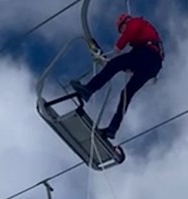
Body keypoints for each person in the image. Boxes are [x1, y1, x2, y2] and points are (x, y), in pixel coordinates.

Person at [69, 12, 164, 140]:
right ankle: (112, 129)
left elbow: (130, 31)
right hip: (151, 65)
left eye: (121, 29)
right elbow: (130, 62)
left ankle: (89, 89)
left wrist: (118, 47)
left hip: (148, 56)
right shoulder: (140, 44)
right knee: (126, 94)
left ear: (125, 22)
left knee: (116, 63)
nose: (122, 32)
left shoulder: (135, 22)